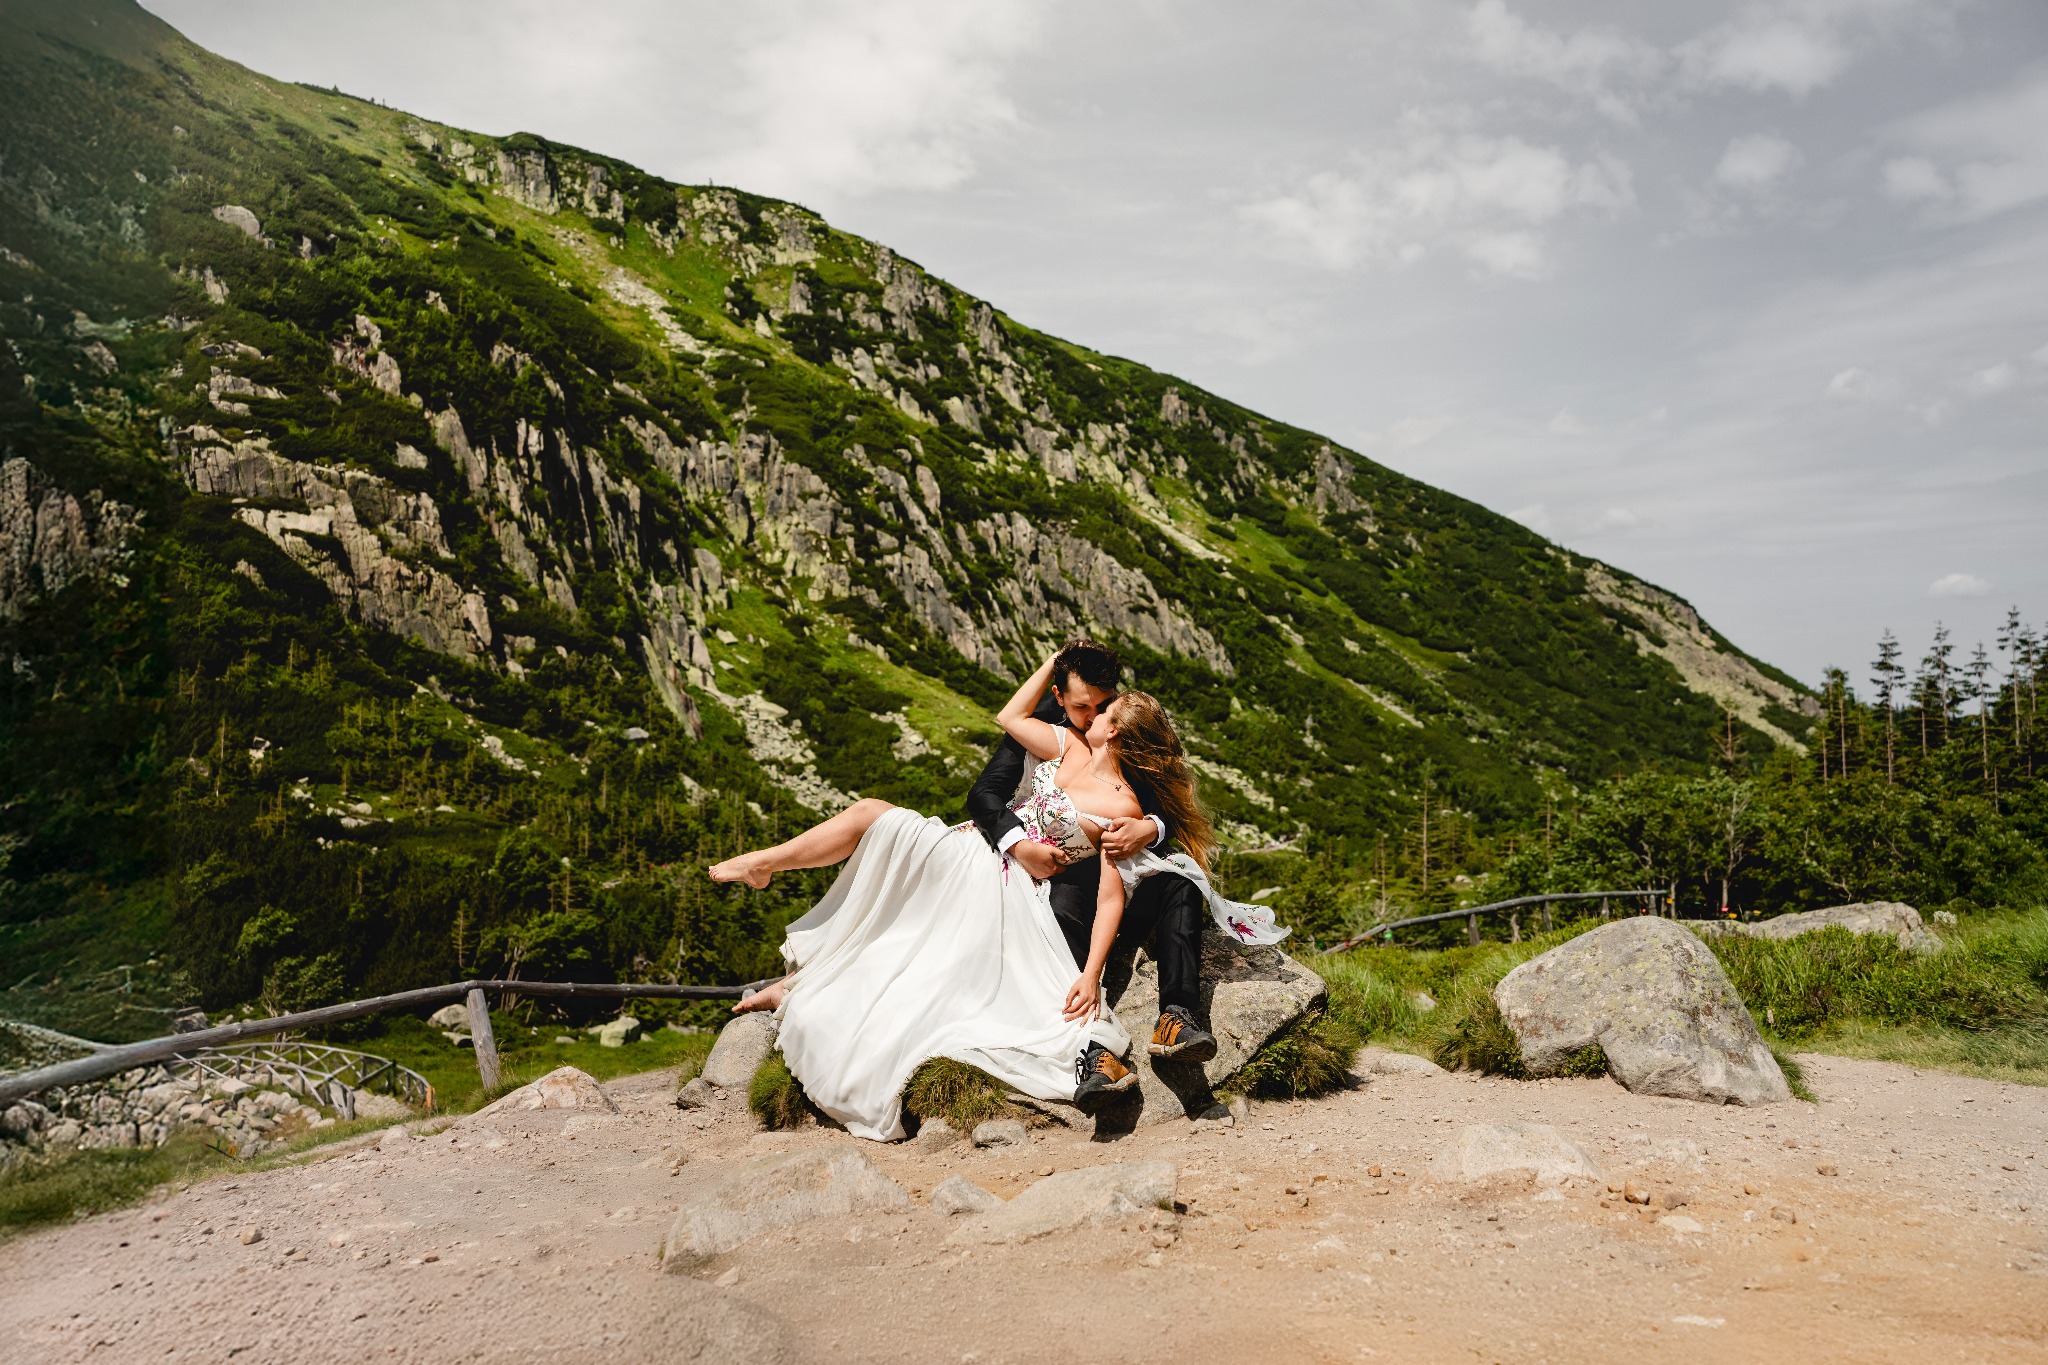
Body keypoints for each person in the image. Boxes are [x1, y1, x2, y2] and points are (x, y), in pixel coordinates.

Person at [705, 641, 1284, 1139]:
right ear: (1060, 697)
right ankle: (765, 864)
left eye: (1104, 708)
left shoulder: (1126, 790)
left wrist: (1146, 836)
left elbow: (1128, 862)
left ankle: (804, 986)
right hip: (985, 852)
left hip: (1027, 890)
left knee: (941, 951)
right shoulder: (1055, 741)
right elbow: (989, 781)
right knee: (872, 816)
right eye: (1084, 704)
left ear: (1119, 727)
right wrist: (1018, 841)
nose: (1094, 714)